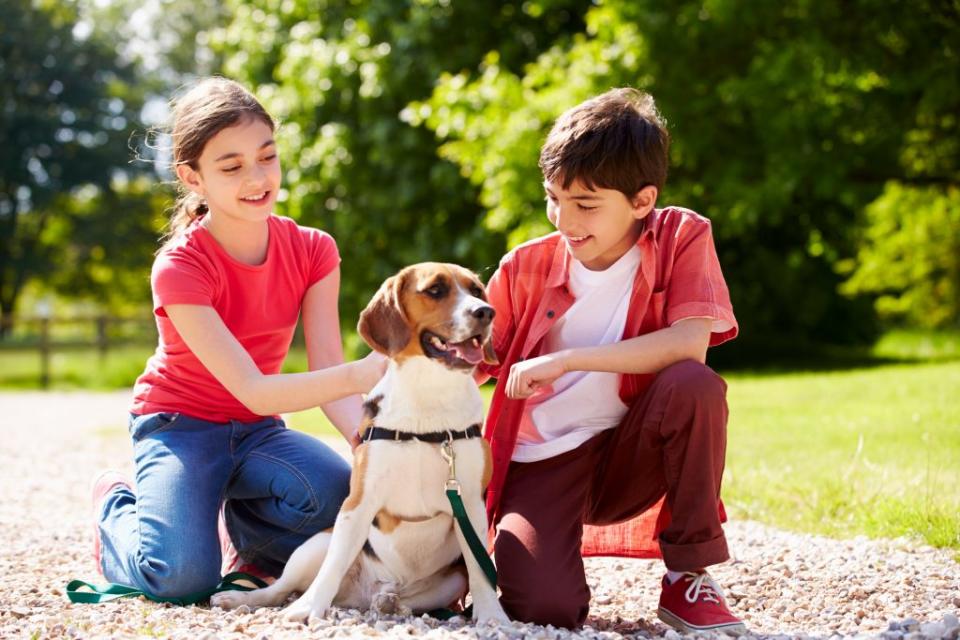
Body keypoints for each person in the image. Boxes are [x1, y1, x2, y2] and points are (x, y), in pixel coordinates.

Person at [91, 77, 385, 599]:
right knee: (181, 579)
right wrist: (363, 373)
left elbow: (330, 377)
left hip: (258, 433)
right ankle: (115, 507)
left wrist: (372, 444)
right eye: (231, 166)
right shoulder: (179, 266)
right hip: (179, 429)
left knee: (339, 494)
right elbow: (253, 386)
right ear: (192, 176)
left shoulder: (315, 250)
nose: (257, 177)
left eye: (267, 157)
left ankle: (246, 543)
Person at [478, 88, 745, 634]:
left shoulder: (681, 237)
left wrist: (567, 359)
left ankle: (687, 578)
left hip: (630, 451)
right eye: (553, 198)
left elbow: (690, 343)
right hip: (543, 459)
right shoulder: (523, 267)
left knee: (695, 385)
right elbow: (467, 359)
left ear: (642, 201)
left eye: (585, 204)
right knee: (543, 609)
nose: (563, 219)